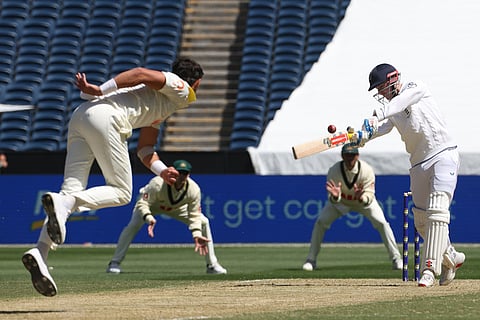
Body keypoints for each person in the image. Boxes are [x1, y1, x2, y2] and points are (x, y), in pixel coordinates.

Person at [22, 57, 204, 297]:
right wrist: (100, 89)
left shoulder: (161, 103)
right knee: (121, 192)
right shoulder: (181, 89)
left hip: (82, 116)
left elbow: (145, 149)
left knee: (69, 193)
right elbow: (141, 73)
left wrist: (163, 171)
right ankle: (65, 203)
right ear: (197, 82)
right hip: (106, 116)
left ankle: (40, 253)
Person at [363, 63, 465, 287]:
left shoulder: (415, 87)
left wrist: (376, 114)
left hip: (443, 154)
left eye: (380, 88)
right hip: (418, 163)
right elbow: (381, 128)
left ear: (392, 80)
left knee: (438, 209)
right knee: (421, 221)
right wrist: (361, 136)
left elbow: (401, 102)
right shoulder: (392, 109)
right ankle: (451, 258)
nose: (379, 93)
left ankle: (429, 269)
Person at [106, 159, 227, 275]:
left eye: (185, 173)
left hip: (177, 208)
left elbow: (194, 214)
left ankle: (211, 265)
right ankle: (114, 263)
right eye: (179, 172)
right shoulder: (157, 183)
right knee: (132, 226)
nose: (181, 176)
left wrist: (196, 234)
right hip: (153, 205)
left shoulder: (193, 189)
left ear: (188, 175)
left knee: (204, 222)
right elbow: (143, 203)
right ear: (172, 171)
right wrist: (148, 217)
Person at [302, 143, 403, 272]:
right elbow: (332, 197)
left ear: (358, 156)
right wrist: (335, 197)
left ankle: (396, 258)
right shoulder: (334, 170)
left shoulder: (366, 171)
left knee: (382, 223)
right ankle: (311, 259)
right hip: (341, 203)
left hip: (363, 203)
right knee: (321, 222)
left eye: (353, 155)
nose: (350, 159)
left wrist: (361, 197)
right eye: (347, 155)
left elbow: (369, 196)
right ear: (342, 156)